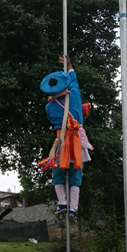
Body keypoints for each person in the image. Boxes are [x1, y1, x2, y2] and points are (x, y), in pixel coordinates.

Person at [38, 55, 93, 223]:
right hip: (77, 143)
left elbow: (51, 118)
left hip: (61, 142)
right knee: (76, 178)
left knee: (57, 175)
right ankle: (73, 209)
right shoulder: (75, 95)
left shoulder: (49, 107)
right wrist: (69, 65)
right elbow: (74, 80)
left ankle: (62, 202)